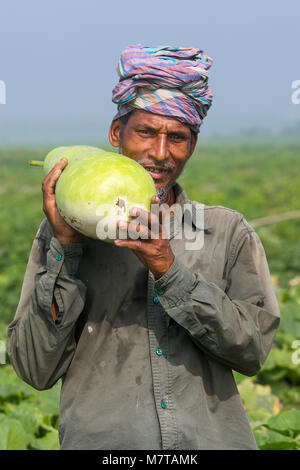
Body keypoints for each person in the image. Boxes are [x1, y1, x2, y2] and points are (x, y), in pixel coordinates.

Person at [7, 45, 280, 450]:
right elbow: (34, 368)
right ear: (117, 133)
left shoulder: (225, 231)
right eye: (146, 132)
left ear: (193, 144)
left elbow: (253, 351)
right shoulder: (63, 235)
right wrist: (66, 248)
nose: (160, 153)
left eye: (178, 138)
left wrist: (170, 270)